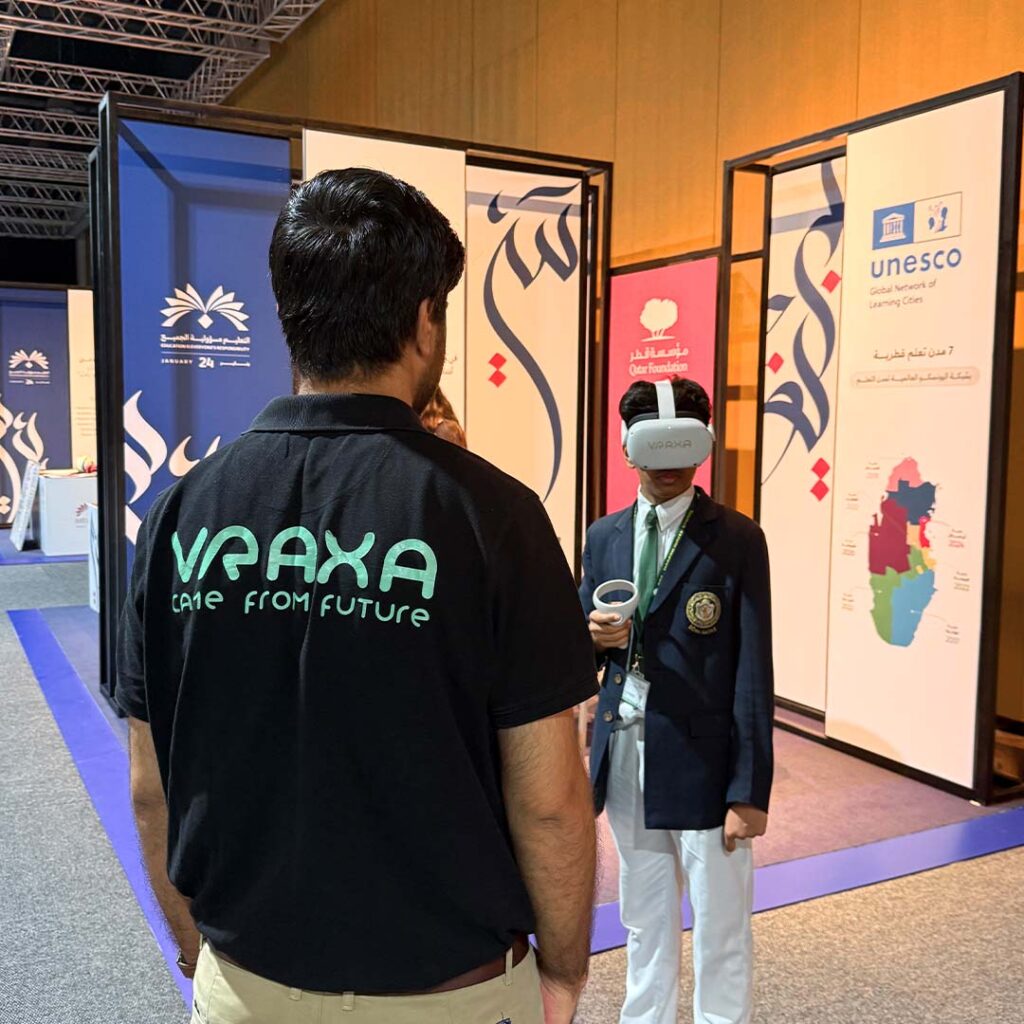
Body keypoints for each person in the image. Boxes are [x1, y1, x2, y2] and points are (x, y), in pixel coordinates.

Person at [118, 168, 598, 1024]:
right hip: (455, 997)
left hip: (244, 990)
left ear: (286, 319)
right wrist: (563, 970)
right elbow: (551, 800)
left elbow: (151, 786)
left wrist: (200, 953)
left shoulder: (179, 517)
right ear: (424, 322)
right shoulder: (497, 519)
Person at [579, 378, 774, 1024]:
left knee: (720, 929)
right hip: (628, 753)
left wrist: (749, 789)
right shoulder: (603, 536)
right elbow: (581, 644)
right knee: (644, 918)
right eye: (654, 451)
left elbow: (752, 667)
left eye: (681, 451)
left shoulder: (737, 540)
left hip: (707, 764)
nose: (667, 468)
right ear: (628, 450)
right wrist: (594, 638)